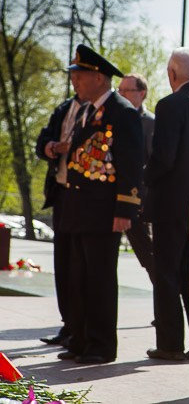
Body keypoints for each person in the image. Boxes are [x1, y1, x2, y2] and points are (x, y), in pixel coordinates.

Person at [56, 44, 144, 364]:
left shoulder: (122, 112)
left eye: (79, 75)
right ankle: (80, 340)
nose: (75, 81)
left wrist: (125, 210)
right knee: (78, 278)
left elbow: (132, 164)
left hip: (105, 212)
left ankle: (102, 345)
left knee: (100, 280)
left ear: (98, 77)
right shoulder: (87, 110)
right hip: (80, 210)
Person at [144, 48, 189, 360]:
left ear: (172, 75)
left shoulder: (169, 105)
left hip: (171, 205)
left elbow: (163, 157)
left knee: (166, 273)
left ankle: (169, 343)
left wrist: (145, 179)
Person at [35, 92, 87, 348]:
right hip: (61, 192)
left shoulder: (96, 111)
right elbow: (42, 141)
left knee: (78, 264)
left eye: (80, 75)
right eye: (74, 77)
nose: (76, 82)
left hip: (83, 196)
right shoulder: (64, 108)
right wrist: (52, 148)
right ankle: (68, 324)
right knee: (63, 263)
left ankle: (79, 327)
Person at [118, 72, 156, 283]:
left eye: (127, 90)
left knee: (149, 257)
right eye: (120, 90)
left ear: (141, 94)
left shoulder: (150, 123)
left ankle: (165, 312)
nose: (122, 94)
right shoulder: (114, 117)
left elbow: (152, 164)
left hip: (137, 203)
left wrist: (143, 199)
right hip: (111, 201)